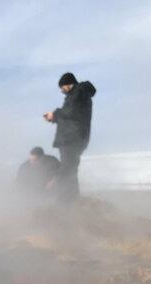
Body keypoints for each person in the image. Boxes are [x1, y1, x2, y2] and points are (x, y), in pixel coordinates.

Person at [43, 72, 96, 202]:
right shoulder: (78, 94)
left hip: (71, 138)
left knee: (68, 168)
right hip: (74, 137)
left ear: (67, 84)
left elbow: (71, 112)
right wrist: (55, 118)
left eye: (62, 87)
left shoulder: (78, 93)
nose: (61, 91)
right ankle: (71, 198)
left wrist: (54, 114)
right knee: (71, 168)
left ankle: (66, 200)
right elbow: (72, 115)